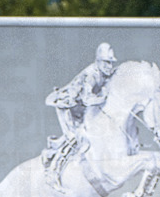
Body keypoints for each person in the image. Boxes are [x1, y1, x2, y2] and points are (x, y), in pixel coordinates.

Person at [42, 42, 119, 189]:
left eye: (111, 63)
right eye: (107, 62)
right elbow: (87, 99)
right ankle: (52, 171)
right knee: (74, 138)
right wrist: (104, 98)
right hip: (68, 106)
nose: (109, 66)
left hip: (81, 109)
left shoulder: (106, 74)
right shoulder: (91, 75)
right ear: (98, 61)